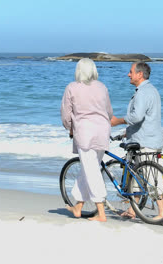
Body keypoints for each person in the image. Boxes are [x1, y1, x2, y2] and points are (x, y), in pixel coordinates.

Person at [111, 61, 163, 219]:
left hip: (145, 141)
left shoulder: (142, 92)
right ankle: (132, 210)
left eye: (131, 72)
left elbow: (137, 116)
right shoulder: (151, 90)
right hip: (145, 138)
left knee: (151, 178)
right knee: (137, 176)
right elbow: (147, 118)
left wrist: (117, 121)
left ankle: (162, 212)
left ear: (140, 74)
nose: (128, 74)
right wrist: (127, 133)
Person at [61, 58, 113, 222]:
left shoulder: (72, 87)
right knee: (89, 168)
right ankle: (79, 206)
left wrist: (70, 128)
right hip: (102, 132)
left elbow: (65, 114)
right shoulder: (102, 87)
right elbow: (109, 112)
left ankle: (101, 213)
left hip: (85, 133)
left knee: (92, 171)